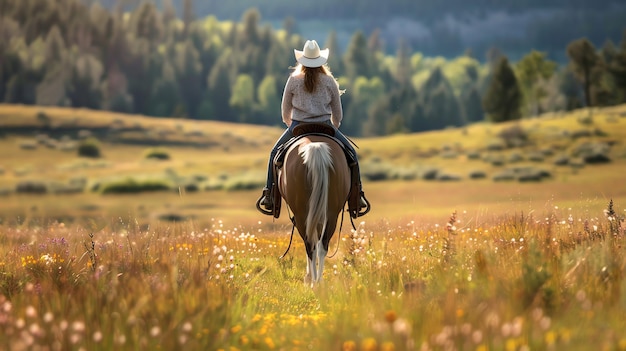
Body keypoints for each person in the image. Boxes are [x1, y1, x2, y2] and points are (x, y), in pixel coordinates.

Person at [258, 39, 367, 215]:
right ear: (320, 61)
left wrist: (292, 126)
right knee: (352, 156)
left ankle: (269, 195)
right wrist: (334, 128)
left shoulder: (293, 80)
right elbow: (337, 113)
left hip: (297, 126)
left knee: (273, 154)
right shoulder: (329, 81)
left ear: (303, 60)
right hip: (325, 126)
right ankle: (358, 197)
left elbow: (285, 111)